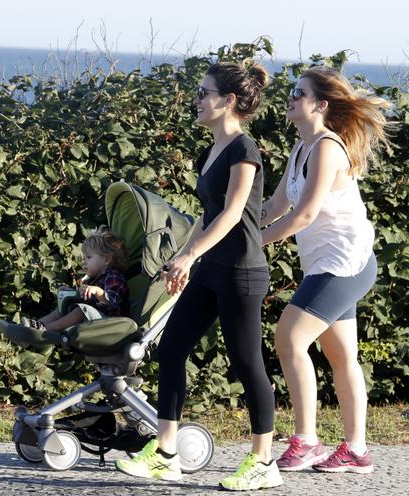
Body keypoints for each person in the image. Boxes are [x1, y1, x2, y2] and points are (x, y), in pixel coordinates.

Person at [115, 62, 283, 491]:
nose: (196, 99)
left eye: (203, 92)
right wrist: (184, 259)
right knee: (171, 349)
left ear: (228, 101)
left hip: (242, 273)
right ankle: (166, 453)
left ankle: (264, 462)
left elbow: (231, 216)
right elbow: (207, 217)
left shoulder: (244, 151)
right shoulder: (210, 149)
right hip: (211, 269)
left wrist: (189, 257)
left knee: (248, 365)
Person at [260, 66, 390, 474]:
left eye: (299, 93)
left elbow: (304, 215)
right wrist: (233, 225)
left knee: (289, 338)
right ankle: (356, 449)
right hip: (326, 265)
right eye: (292, 92)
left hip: (345, 264)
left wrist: (253, 243)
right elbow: (275, 208)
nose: (291, 98)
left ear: (320, 104)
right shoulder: (301, 149)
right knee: (340, 354)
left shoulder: (327, 147)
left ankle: (306, 440)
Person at [23, 227, 128, 332]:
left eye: (89, 257)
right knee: (63, 308)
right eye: (84, 258)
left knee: (80, 310)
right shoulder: (92, 280)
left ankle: (46, 329)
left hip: (109, 324)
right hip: (92, 318)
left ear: (106, 259)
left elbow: (112, 302)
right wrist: (70, 293)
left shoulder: (114, 277)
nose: (84, 262)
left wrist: (97, 291)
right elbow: (82, 298)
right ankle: (34, 326)